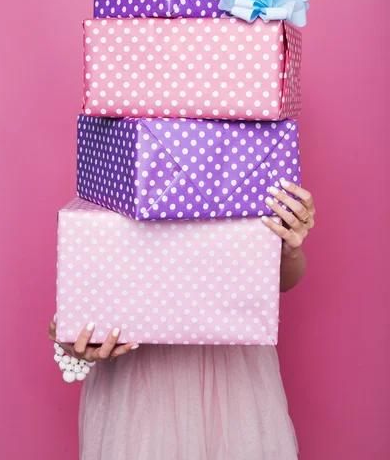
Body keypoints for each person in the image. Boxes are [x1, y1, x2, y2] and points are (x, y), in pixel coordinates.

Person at [49, 179, 315, 459]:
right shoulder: (111, 147)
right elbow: (94, 246)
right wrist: (75, 324)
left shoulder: (254, 140)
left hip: (233, 375)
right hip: (138, 381)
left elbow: (282, 281)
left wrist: (290, 248)